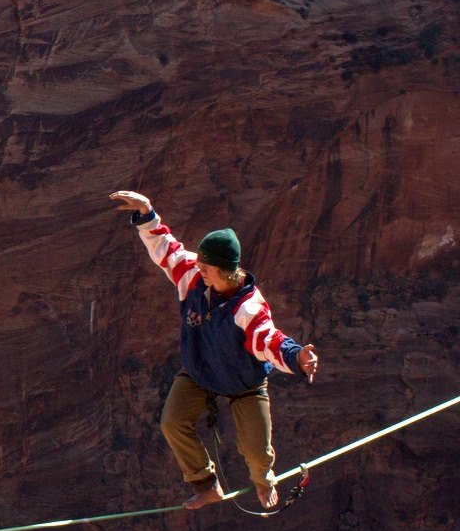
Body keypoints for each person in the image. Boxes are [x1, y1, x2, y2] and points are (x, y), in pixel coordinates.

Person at [109, 190, 320, 510]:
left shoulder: (247, 308)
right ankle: (206, 485)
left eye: (206, 265)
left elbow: (269, 340)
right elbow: (166, 248)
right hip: (200, 372)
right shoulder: (194, 274)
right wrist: (146, 213)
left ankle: (263, 481)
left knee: (255, 450)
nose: (198, 266)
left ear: (225, 270)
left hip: (243, 382)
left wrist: (297, 357)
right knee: (172, 422)